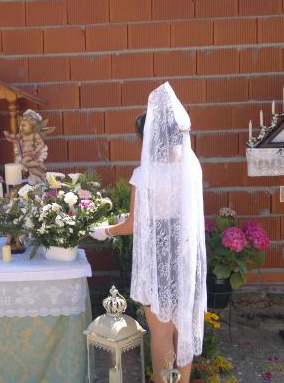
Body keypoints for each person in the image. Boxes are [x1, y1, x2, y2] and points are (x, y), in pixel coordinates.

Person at [91, 82, 206, 383]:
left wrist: (105, 230)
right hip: (185, 252)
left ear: (148, 137)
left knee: (161, 331)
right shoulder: (191, 169)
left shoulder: (143, 175)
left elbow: (133, 225)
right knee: (182, 328)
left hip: (158, 254)